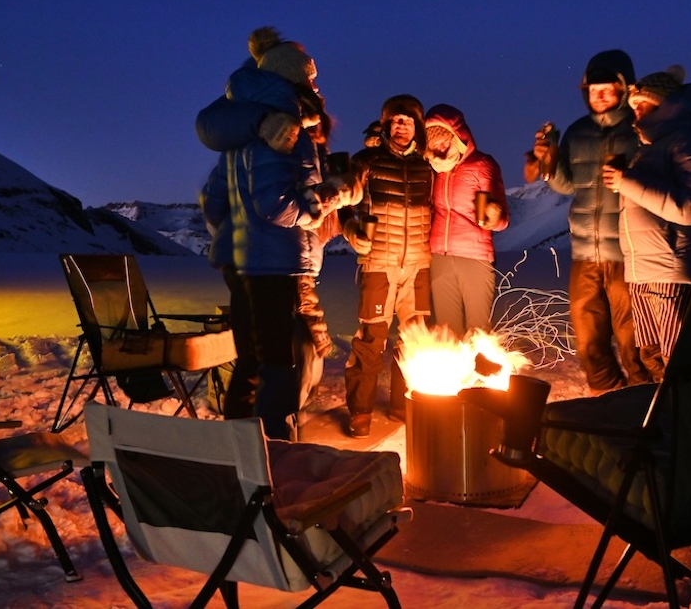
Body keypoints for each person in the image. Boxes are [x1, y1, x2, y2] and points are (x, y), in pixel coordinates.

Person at [197, 28, 341, 432]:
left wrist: (238, 234)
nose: (315, 86)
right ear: (293, 79)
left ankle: (239, 448)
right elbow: (277, 206)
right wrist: (324, 202)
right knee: (279, 363)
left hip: (244, 259)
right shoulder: (283, 125)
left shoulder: (245, 128)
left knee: (252, 359)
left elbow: (215, 199)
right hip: (272, 263)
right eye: (309, 78)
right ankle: (274, 451)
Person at [528, 49, 653, 393]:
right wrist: (550, 160)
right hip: (584, 252)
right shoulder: (577, 132)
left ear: (624, 89)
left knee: (633, 337)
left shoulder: (639, 131)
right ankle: (606, 398)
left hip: (626, 252)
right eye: (592, 90)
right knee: (587, 339)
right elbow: (568, 184)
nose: (598, 96)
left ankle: (644, 401)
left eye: (607, 89)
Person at [602, 65, 691, 378]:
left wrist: (626, 182)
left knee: (678, 360)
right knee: (652, 356)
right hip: (643, 271)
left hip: (672, 272)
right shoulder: (651, 150)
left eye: (641, 104)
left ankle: (689, 421)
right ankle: (665, 419)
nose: (635, 112)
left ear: (664, 105)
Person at [339, 94, 434, 437]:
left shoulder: (427, 165)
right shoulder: (368, 161)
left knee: (413, 337)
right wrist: (349, 228)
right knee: (371, 336)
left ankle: (402, 403)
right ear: (385, 124)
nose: (402, 125)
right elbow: (342, 198)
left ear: (417, 126)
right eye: (396, 120)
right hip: (379, 261)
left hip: (418, 263)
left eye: (408, 121)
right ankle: (361, 411)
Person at [424, 104, 509, 337]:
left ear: (458, 136)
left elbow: (503, 219)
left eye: (444, 139)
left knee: (478, 329)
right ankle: (453, 373)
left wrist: (494, 215)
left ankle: (481, 372)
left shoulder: (482, 164)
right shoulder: (434, 171)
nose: (439, 147)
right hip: (439, 257)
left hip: (475, 256)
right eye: (433, 142)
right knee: (447, 329)